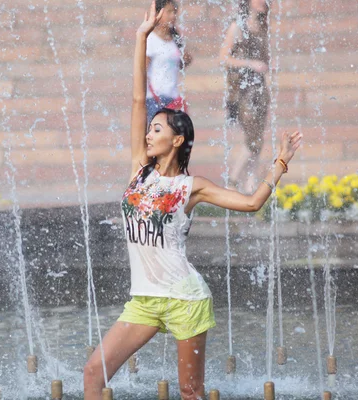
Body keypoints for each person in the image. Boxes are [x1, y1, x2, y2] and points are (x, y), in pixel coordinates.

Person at [83, 2, 302, 399]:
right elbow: (137, 99)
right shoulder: (138, 169)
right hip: (145, 301)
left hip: (186, 299)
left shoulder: (191, 187)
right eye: (148, 130)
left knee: (190, 393)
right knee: (93, 375)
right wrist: (141, 36)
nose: (148, 135)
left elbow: (252, 202)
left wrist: (280, 163)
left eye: (157, 129)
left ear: (178, 139)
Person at [219, 0, 270, 193]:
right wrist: (250, 63)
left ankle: (250, 184)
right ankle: (232, 182)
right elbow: (223, 58)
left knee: (259, 137)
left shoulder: (263, 26)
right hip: (242, 91)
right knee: (252, 139)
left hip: (260, 90)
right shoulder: (237, 26)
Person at [145, 0, 192, 124]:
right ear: (158, 13)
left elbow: (184, 61)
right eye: (169, 12)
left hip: (173, 96)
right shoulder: (151, 39)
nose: (173, 16)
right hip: (155, 98)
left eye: (175, 12)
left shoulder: (174, 38)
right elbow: (142, 71)